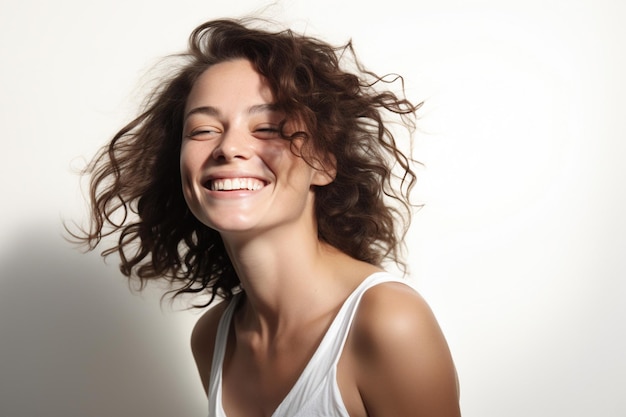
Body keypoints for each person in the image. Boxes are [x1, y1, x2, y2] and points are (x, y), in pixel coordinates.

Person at [75, 17, 461, 417]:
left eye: (268, 127)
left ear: (324, 163)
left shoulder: (387, 322)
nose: (229, 148)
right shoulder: (212, 338)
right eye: (203, 130)